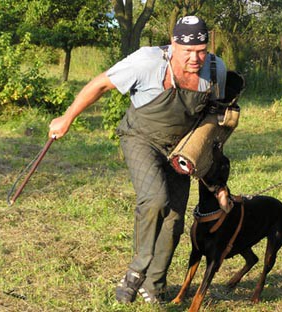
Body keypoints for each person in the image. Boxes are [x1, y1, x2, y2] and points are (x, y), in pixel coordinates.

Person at [48, 16, 227, 304]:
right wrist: (67, 117)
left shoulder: (217, 70)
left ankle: (153, 286)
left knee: (174, 219)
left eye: (201, 51)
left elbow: (217, 115)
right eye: (188, 52)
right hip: (140, 138)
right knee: (155, 199)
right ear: (173, 45)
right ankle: (136, 271)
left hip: (179, 150)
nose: (195, 58)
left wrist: (204, 152)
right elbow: (100, 84)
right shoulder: (147, 62)